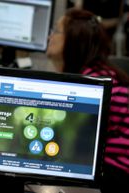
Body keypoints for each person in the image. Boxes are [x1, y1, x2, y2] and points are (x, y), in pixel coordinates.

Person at [46, 8, 129, 193]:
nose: (50, 36)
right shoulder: (99, 74)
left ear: (74, 40)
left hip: (116, 174)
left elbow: (71, 143)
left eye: (57, 31)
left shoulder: (92, 85)